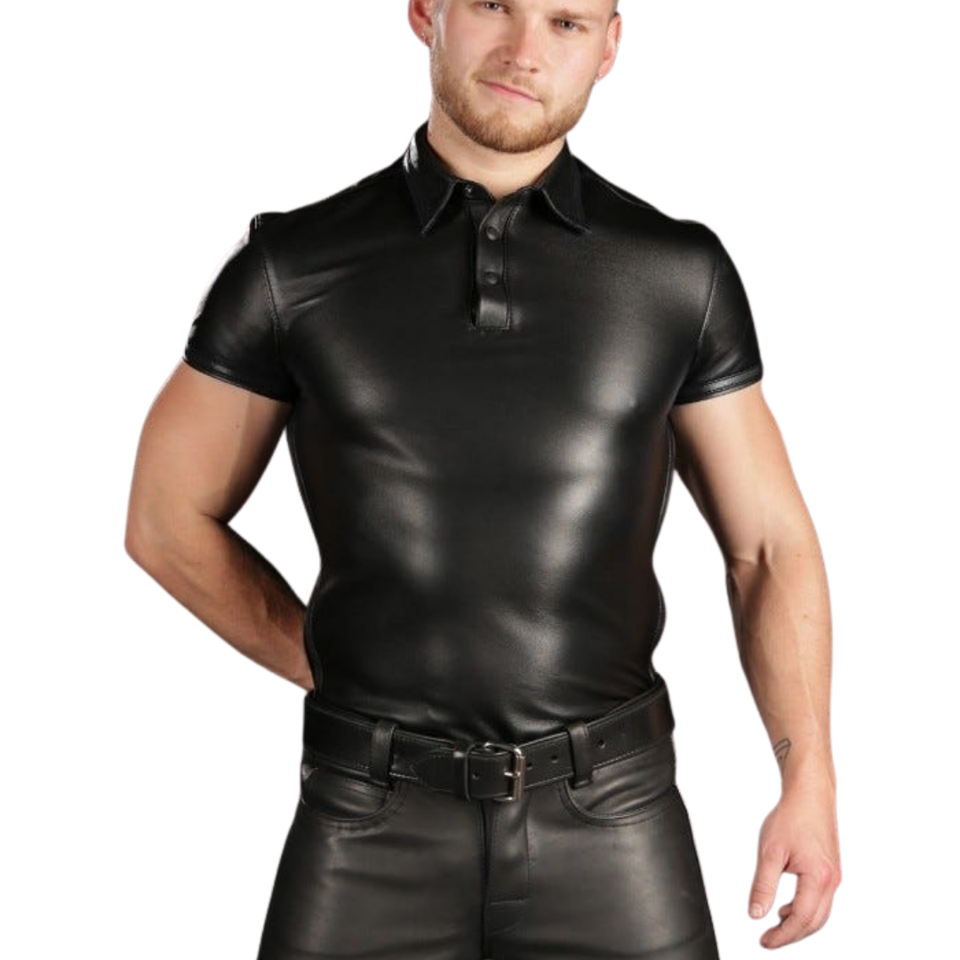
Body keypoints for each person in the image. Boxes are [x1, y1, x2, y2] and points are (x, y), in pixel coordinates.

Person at [125, 0, 841, 956]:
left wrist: (808, 777)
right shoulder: (290, 268)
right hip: (367, 820)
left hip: (615, 819)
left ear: (610, 46)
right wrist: (323, 657)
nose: (522, 51)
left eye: (566, 23)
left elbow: (768, 546)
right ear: (427, 11)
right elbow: (165, 518)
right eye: (494, 4)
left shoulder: (677, 274)